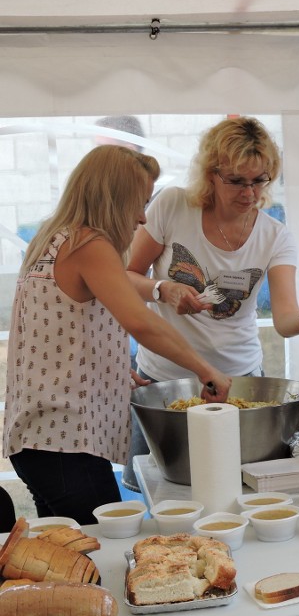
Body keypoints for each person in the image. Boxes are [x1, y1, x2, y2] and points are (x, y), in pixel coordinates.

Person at [2, 145, 232, 525]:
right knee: (110, 547)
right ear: (112, 199)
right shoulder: (91, 244)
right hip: (64, 443)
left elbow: (59, 326)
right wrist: (205, 369)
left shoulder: (54, 237)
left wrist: (112, 366)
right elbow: (140, 323)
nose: (142, 217)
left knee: (72, 554)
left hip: (36, 438)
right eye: (138, 203)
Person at [122, 116, 299, 492]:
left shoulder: (275, 237)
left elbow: (284, 320)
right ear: (211, 174)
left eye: (259, 180)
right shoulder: (172, 206)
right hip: (167, 380)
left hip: (239, 383)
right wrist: (162, 288)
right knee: (161, 490)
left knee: (240, 489)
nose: (249, 193)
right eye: (236, 181)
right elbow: (125, 276)